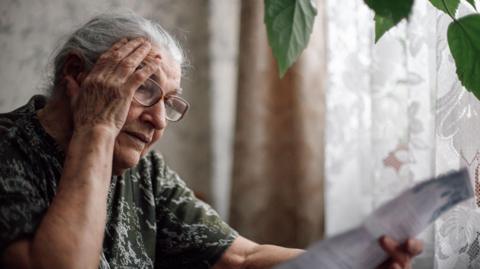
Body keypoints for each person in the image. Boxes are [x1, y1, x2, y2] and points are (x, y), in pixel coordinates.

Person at [0, 10, 422, 269]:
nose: (159, 120)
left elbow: (243, 259)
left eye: (170, 102)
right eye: (144, 89)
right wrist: (96, 129)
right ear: (76, 74)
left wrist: (356, 259)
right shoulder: (7, 148)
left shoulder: (145, 171)